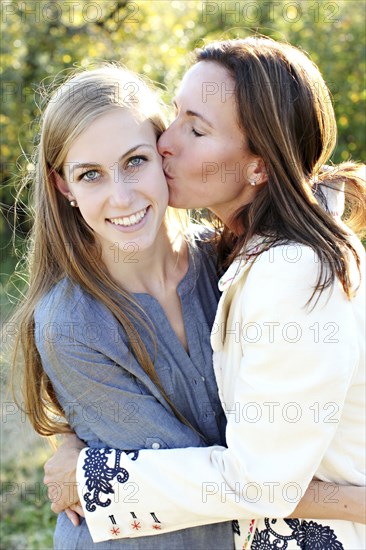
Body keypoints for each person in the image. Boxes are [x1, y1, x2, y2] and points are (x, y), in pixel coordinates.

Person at [43, 38, 365, 549]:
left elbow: (256, 480)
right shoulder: (239, 254)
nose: (167, 142)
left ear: (260, 166)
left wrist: (91, 477)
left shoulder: (288, 270)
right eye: (175, 117)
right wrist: (66, 434)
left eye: (196, 129)